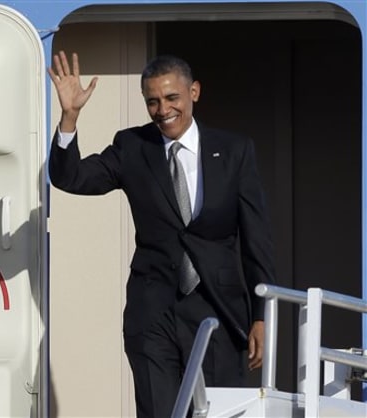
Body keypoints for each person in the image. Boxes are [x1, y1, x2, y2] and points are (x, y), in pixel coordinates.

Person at [48, 51, 276, 418]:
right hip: (153, 310)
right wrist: (70, 117)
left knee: (219, 412)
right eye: (152, 101)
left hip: (217, 308)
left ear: (194, 93)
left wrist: (262, 316)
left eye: (172, 98)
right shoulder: (132, 147)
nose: (163, 109)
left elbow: (257, 239)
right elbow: (71, 178)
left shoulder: (234, 151)